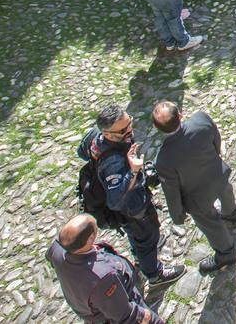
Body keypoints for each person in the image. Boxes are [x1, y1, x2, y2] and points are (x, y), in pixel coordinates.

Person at [77, 106, 184, 288]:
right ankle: (154, 273)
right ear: (107, 133)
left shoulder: (95, 136)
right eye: (123, 130)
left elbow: (81, 152)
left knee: (138, 238)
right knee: (146, 237)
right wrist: (133, 172)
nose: (129, 131)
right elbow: (115, 200)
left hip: (132, 206)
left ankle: (139, 256)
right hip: (133, 210)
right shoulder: (113, 163)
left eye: (129, 123)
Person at [150, 102, 236, 274]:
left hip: (197, 196)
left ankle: (226, 254)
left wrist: (177, 215)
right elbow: (216, 138)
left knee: (210, 224)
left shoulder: (163, 159)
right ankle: (232, 213)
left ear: (157, 128)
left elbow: (172, 191)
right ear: (180, 115)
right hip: (217, 173)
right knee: (225, 192)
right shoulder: (200, 120)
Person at [47, 214, 170, 322]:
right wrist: (144, 316)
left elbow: (50, 256)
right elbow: (123, 313)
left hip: (90, 304)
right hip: (119, 302)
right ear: (90, 238)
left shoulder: (57, 249)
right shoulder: (103, 277)